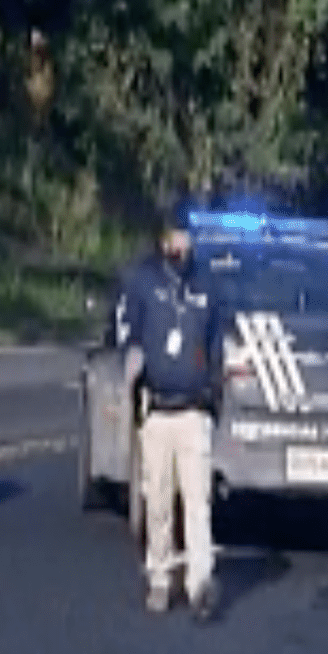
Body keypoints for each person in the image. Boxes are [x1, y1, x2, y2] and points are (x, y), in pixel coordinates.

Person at [113, 200, 221, 621]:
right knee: (156, 500)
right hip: (157, 409)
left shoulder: (208, 286)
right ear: (162, 240)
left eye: (186, 235)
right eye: (173, 235)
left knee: (197, 502)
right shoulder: (143, 282)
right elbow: (130, 335)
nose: (180, 243)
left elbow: (216, 344)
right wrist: (133, 372)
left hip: (193, 410)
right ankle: (159, 575)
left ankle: (199, 582)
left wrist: (213, 391)